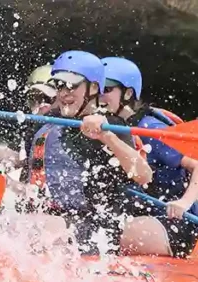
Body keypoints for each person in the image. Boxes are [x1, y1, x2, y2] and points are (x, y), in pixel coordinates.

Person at [21, 50, 155, 256]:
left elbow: (144, 176)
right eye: (59, 85)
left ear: (93, 88)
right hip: (46, 216)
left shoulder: (112, 125)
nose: (64, 93)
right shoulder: (46, 122)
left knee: (46, 229)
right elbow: (29, 177)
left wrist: (106, 136)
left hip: (93, 226)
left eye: (72, 86)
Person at [100, 56, 198, 258]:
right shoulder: (105, 127)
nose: (99, 96)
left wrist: (184, 202)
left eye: (107, 89)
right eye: (96, 89)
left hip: (173, 222)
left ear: (128, 93)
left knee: (108, 234)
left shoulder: (150, 129)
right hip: (136, 213)